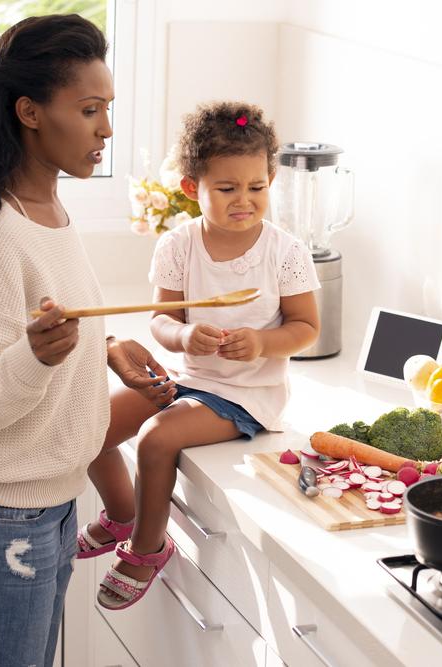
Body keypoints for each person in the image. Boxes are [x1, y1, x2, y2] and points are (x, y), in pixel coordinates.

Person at [0, 15, 169, 665]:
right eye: (88, 110)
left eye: (107, 109)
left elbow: (43, 321)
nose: (105, 128)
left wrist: (104, 349)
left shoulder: (48, 210)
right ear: (29, 111)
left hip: (42, 500)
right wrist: (36, 353)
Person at [81, 101, 321, 610]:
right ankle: (124, 512)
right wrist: (184, 338)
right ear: (193, 189)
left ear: (271, 180)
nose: (245, 201)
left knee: (156, 437)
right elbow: (161, 321)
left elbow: (306, 329)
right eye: (227, 189)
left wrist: (260, 343)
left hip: (246, 394)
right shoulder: (178, 245)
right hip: (186, 377)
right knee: (87, 425)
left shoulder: (284, 252)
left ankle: (148, 547)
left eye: (256, 188)